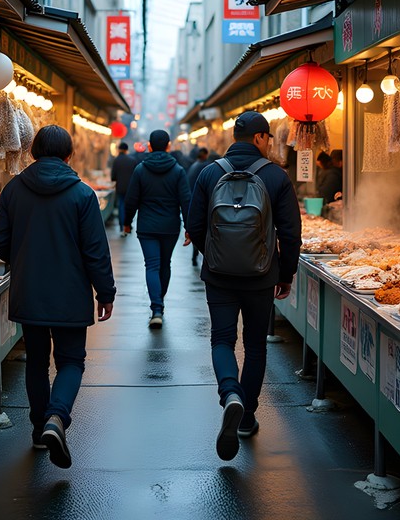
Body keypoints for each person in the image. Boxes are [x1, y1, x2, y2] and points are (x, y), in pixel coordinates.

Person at [0, 125, 116, 469]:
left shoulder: (13, 190)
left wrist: (21, 257)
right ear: (69, 155)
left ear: (31, 153)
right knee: (71, 361)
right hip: (71, 294)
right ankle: (56, 419)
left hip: (29, 291)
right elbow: (95, 252)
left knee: (37, 361)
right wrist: (105, 292)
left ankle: (38, 430)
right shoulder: (82, 194)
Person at [186, 111, 302, 460]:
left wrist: (216, 256)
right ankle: (247, 414)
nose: (269, 143)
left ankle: (230, 394)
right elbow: (290, 232)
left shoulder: (209, 173)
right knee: (255, 346)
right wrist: (285, 272)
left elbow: (193, 223)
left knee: (222, 339)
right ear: (259, 138)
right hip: (262, 276)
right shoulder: (275, 176)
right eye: (267, 138)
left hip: (219, 277)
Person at [123, 129, 191, 328]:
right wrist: (189, 227)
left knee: (152, 265)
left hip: (147, 226)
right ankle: (159, 304)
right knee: (165, 264)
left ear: (149, 146)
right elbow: (186, 201)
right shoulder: (178, 171)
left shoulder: (140, 170)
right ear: (169, 146)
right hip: (170, 226)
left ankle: (156, 309)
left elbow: (131, 200)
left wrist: (127, 222)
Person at [185, 147, 210, 266]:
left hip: (193, 200)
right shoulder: (205, 167)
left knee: (197, 228)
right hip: (201, 202)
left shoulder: (193, 166)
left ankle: (194, 255)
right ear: (205, 155)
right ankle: (200, 255)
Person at [110, 141, 137, 236]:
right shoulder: (132, 160)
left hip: (120, 187)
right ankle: (128, 225)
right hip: (130, 188)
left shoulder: (116, 160)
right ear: (126, 150)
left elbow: (113, 177)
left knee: (121, 206)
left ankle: (122, 228)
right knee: (129, 207)